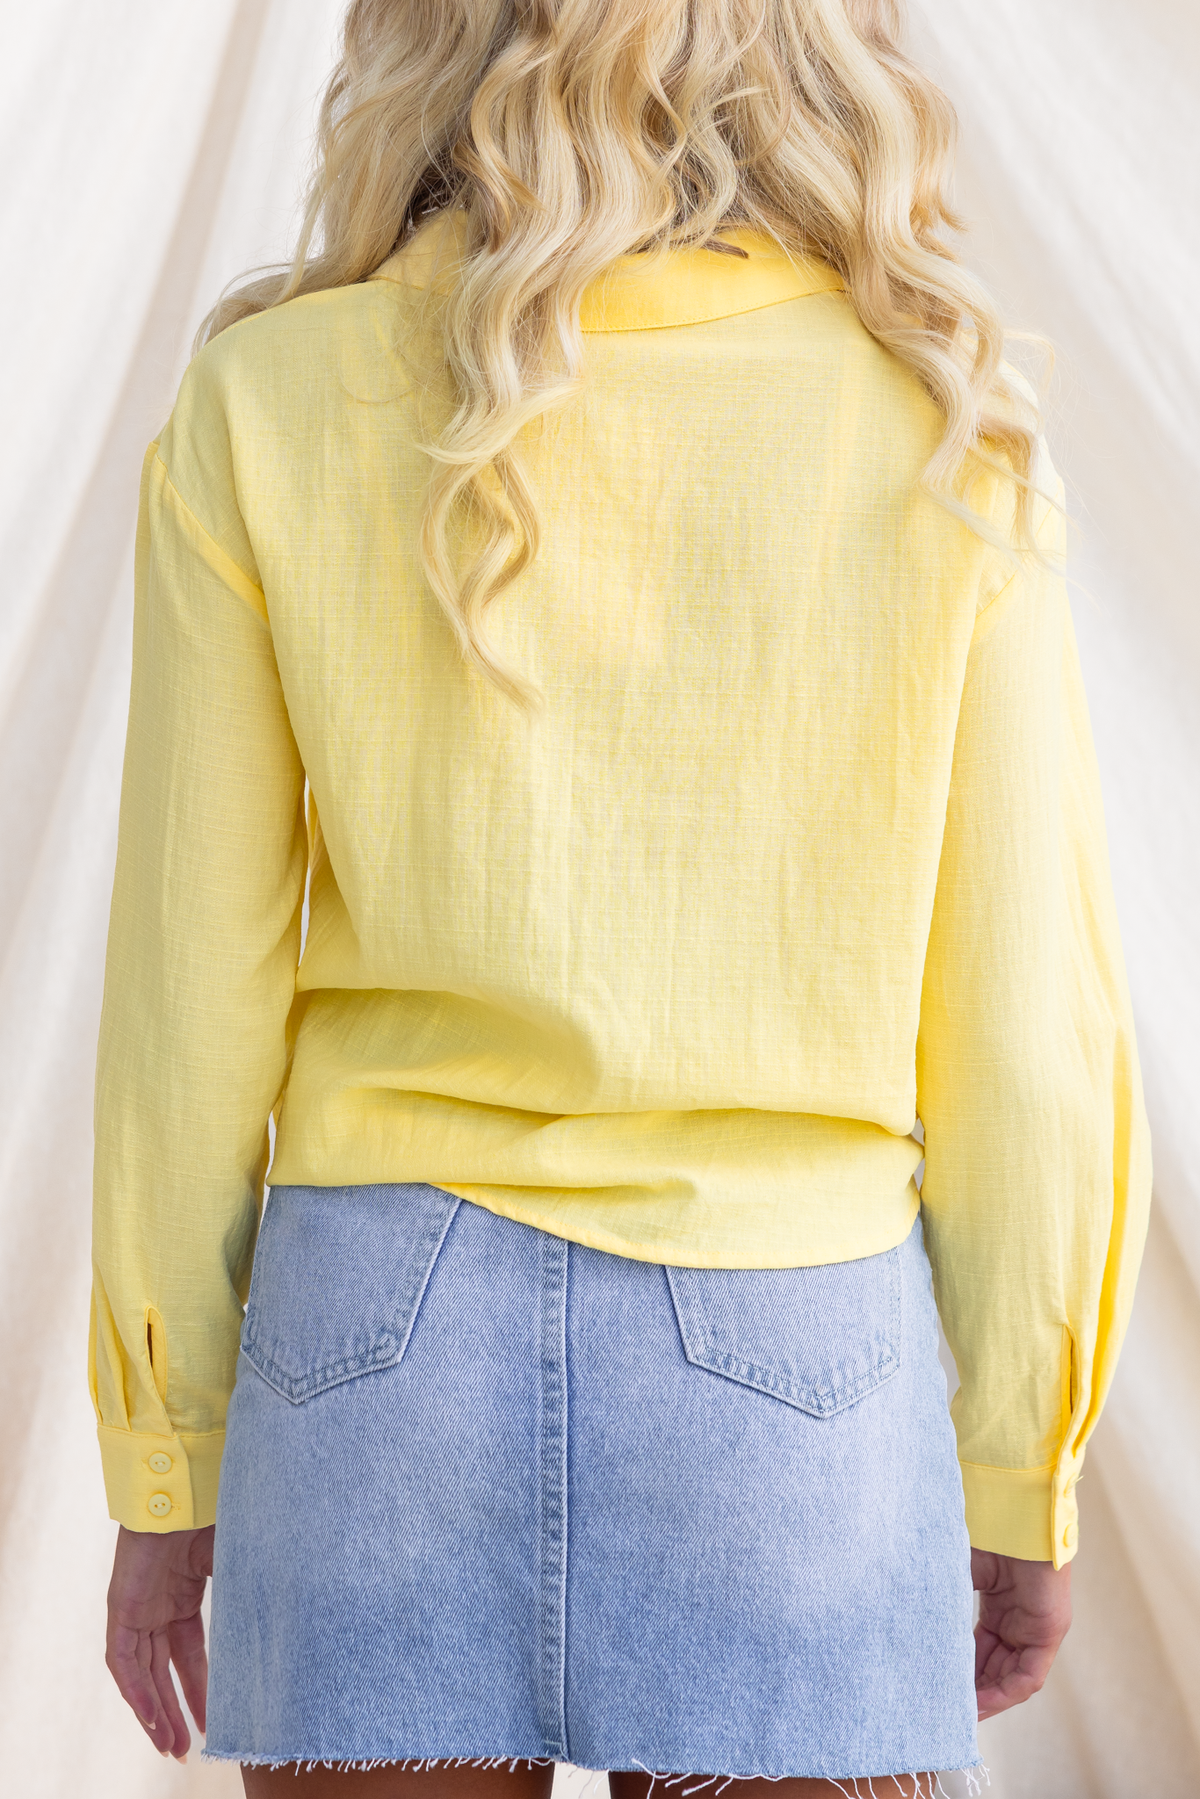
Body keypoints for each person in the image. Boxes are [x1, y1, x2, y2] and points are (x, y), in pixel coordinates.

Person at [93, 2, 1151, 1794]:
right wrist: (1019, 1464)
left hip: (373, 1377)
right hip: (793, 1388)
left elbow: (183, 1008)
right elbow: (1025, 1032)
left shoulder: (265, 404)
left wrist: (165, 1456)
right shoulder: (942, 421)